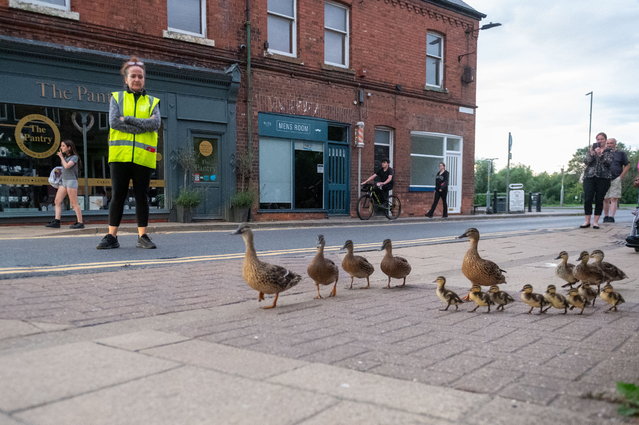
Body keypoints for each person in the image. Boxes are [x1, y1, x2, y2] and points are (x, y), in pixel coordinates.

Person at [97, 56, 161, 250]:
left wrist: (129, 119)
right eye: (133, 76)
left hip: (144, 157)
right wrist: (142, 125)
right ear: (126, 79)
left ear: (144, 79)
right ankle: (111, 236)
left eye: (140, 76)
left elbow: (155, 124)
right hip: (120, 156)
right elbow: (115, 122)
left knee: (142, 197)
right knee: (118, 195)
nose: (137, 79)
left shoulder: (152, 101)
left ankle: (142, 236)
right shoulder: (117, 98)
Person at [45, 139, 84, 229]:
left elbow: (67, 166)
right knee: (57, 201)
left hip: (71, 181)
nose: (61, 148)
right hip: (64, 181)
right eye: (61, 146)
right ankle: (57, 221)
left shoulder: (74, 157)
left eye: (63, 146)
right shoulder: (66, 158)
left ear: (69, 148)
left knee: (74, 203)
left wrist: (61, 157)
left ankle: (80, 222)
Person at [580, 132, 613, 229]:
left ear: (605, 140)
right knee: (588, 198)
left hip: (603, 177)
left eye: (602, 139)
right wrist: (591, 154)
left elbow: (608, 162)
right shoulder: (591, 149)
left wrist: (600, 154)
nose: (600, 141)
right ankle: (587, 221)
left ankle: (595, 222)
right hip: (589, 176)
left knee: (599, 199)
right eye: (598, 139)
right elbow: (586, 162)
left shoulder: (609, 151)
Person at [602, 138, 630, 223]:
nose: (609, 145)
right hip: (604, 178)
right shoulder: (603, 152)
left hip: (616, 178)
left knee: (614, 198)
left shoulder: (621, 153)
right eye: (608, 143)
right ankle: (606, 216)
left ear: (615, 144)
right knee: (605, 198)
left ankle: (611, 217)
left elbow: (627, 165)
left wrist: (621, 176)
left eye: (611, 143)